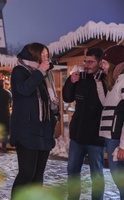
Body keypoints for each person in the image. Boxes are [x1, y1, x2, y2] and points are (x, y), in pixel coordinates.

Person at [10, 42, 59, 198]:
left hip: (43, 132)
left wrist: (53, 120)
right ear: (34, 55)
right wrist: (39, 72)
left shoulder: (44, 75)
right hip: (27, 131)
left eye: (47, 55)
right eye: (43, 55)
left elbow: (48, 102)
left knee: (38, 177)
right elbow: (24, 90)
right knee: (26, 175)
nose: (46, 58)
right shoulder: (20, 71)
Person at [62, 47, 106, 200]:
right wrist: (70, 81)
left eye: (91, 62)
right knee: (72, 171)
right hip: (77, 135)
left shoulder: (105, 79)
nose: (87, 65)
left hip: (96, 136)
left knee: (97, 174)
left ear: (100, 62)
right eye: (85, 61)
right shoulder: (80, 77)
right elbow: (67, 98)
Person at [95, 45, 124, 199]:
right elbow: (106, 104)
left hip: (116, 139)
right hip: (111, 137)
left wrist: (123, 146)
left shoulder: (123, 80)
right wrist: (99, 84)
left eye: (105, 63)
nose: (103, 67)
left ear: (113, 63)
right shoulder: (117, 81)